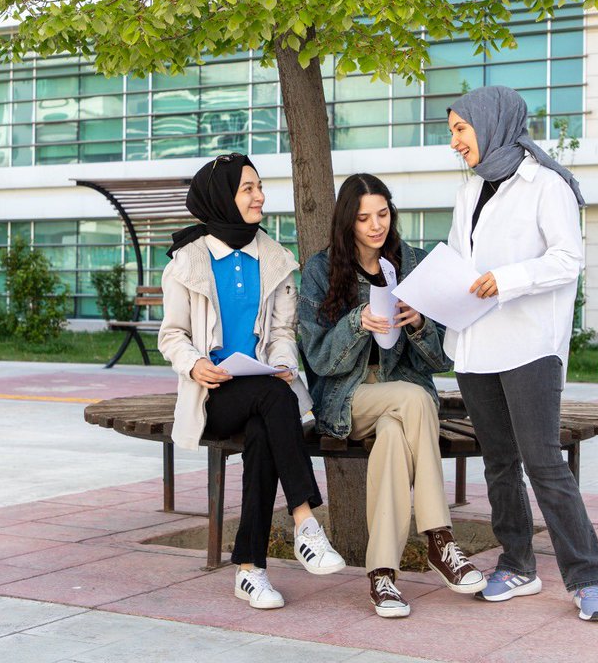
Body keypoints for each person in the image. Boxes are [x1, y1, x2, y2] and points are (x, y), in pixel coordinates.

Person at [445, 85, 598, 621]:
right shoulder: (471, 191)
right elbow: (456, 259)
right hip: (475, 347)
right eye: (452, 132)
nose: (454, 142)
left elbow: (569, 260)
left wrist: (508, 279)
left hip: (528, 346)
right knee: (498, 463)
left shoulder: (547, 185)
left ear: (490, 125)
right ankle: (517, 565)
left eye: (460, 130)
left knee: (543, 462)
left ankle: (587, 578)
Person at [158, 152, 344, 611]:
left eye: (259, 186)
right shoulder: (187, 261)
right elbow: (172, 335)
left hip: (264, 392)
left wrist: (281, 361)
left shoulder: (274, 259)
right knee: (273, 399)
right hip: (214, 394)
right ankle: (304, 521)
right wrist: (195, 363)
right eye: (248, 189)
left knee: (267, 421)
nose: (259, 196)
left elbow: (282, 333)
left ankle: (249, 571)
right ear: (223, 197)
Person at [298, 173, 487, 618]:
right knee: (414, 401)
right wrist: (356, 323)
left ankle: (382, 577)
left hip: (402, 401)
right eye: (364, 218)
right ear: (348, 222)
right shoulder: (320, 271)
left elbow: (441, 358)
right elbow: (318, 359)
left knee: (393, 437)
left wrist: (419, 323)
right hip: (348, 398)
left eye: (382, 214)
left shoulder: (416, 264)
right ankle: (440, 539)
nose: (375, 225)